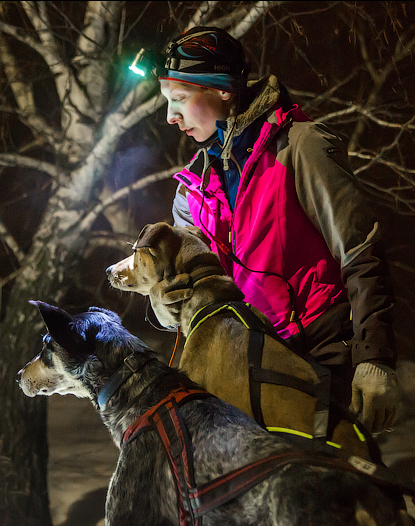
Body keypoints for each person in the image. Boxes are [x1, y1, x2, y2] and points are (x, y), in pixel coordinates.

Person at [153, 26, 400, 438]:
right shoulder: (191, 191)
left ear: (224, 91)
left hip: (319, 364)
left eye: (179, 99)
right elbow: (195, 288)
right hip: (243, 374)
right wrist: (166, 303)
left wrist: (374, 359)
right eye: (166, 102)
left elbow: (361, 253)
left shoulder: (301, 148)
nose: (170, 116)